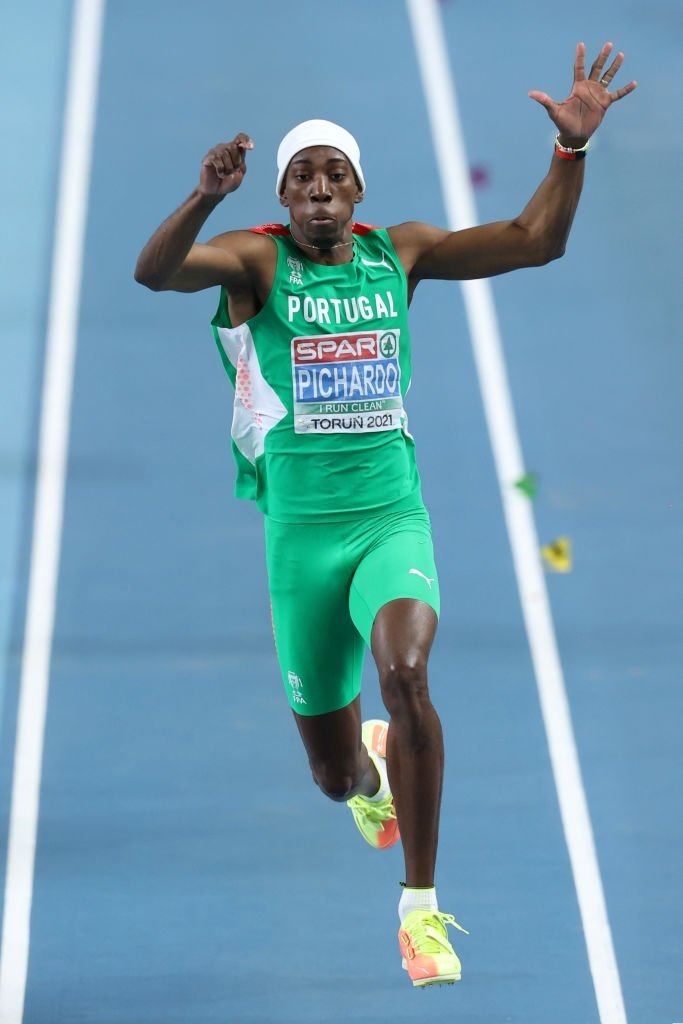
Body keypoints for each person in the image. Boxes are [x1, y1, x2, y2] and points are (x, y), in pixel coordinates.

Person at [135, 41, 636, 988]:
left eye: (335, 174)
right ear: (283, 198)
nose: (319, 189)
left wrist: (569, 150)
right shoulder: (255, 262)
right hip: (301, 542)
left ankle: (420, 910)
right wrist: (203, 197)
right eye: (301, 177)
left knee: (405, 676)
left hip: (387, 521)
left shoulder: (396, 254)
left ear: (358, 190)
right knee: (332, 779)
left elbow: (536, 241)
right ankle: (365, 776)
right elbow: (155, 273)